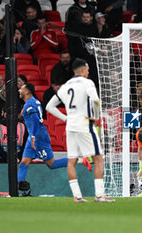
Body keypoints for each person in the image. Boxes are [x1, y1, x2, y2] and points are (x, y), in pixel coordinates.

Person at [46, 58, 115, 203]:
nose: (88, 72)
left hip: (70, 126)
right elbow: (96, 100)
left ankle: (77, 196)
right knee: (98, 158)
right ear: (83, 70)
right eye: (88, 70)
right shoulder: (87, 83)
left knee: (72, 160)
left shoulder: (66, 85)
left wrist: (65, 118)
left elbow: (49, 107)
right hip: (85, 124)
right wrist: (95, 117)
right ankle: (99, 195)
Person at [17, 83, 69, 188]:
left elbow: (35, 119)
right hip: (34, 135)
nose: (19, 90)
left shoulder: (30, 104)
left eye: (21, 88)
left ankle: (77, 159)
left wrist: (33, 137)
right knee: (24, 163)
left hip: (38, 136)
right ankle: (16, 190)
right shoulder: (34, 101)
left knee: (52, 164)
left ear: (26, 92)